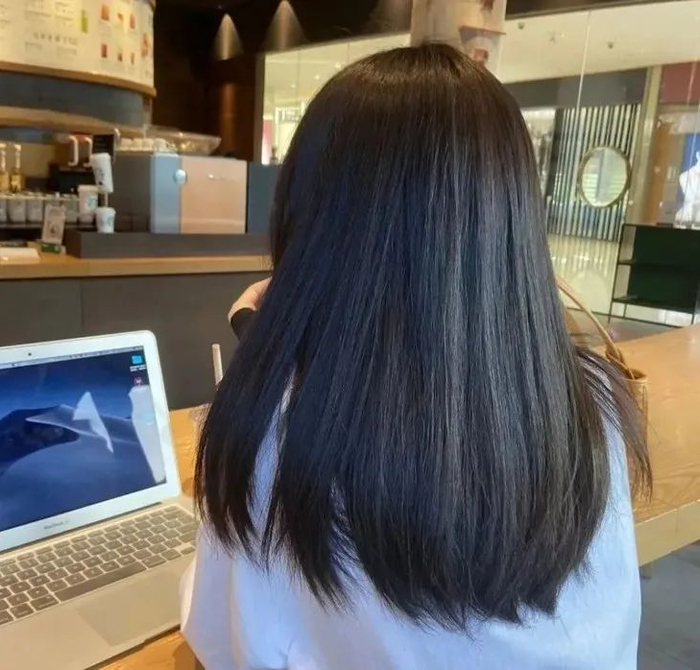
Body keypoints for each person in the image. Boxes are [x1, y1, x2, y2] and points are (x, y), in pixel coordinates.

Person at [181, 44, 650, 669]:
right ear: (510, 220)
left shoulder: (276, 428)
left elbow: (221, 641)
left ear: (310, 223)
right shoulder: (592, 406)